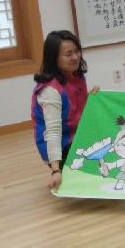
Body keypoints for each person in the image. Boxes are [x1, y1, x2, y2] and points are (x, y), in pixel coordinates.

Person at [31, 30, 98, 190]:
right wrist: (56, 170)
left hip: (77, 133)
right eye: (68, 54)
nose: (75, 57)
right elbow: (53, 131)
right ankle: (62, 167)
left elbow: (74, 109)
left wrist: (91, 99)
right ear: (54, 58)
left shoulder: (76, 76)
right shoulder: (50, 91)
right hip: (60, 143)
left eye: (77, 51)